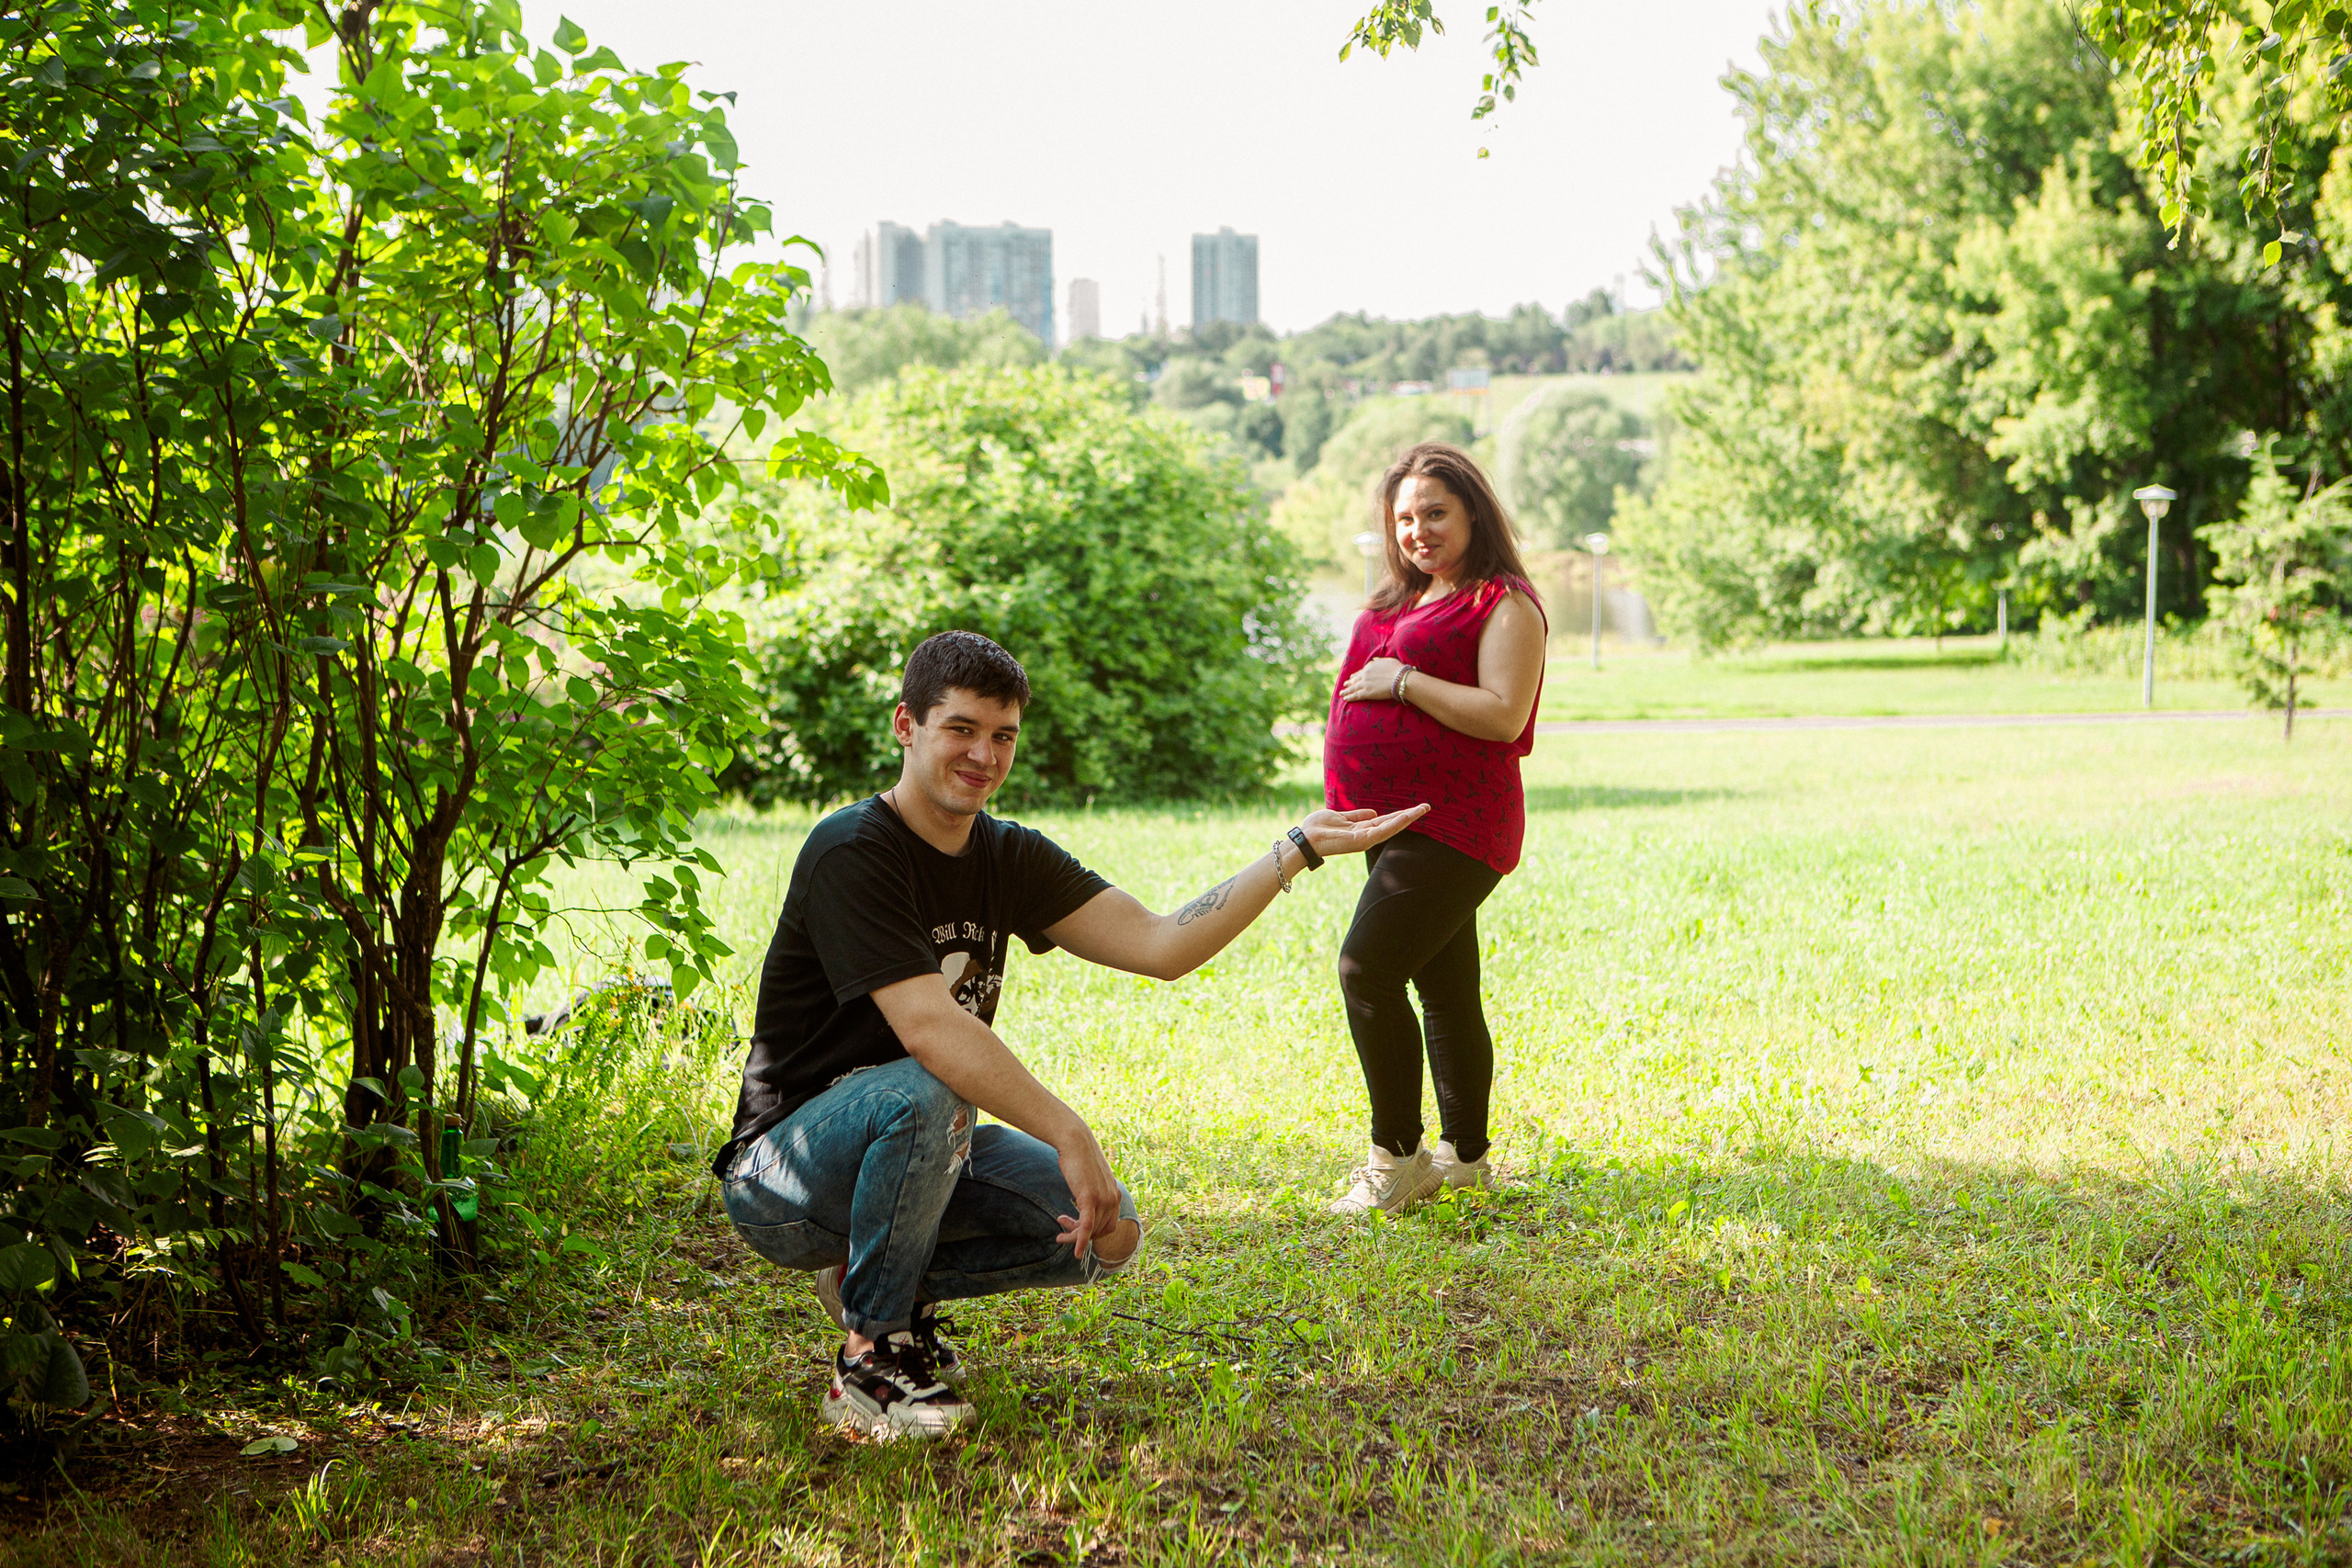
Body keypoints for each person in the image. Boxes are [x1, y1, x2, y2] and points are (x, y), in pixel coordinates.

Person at [714, 630, 1426, 1439]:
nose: (984, 754)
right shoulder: (853, 849)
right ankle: (871, 1359)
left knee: (1108, 1232)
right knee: (929, 1082)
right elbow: (929, 1029)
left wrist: (1292, 852)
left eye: (1003, 734)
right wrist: (1066, 1128)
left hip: (919, 1144)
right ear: (905, 725)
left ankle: (873, 1280)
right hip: (783, 1176)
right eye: (961, 728)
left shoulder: (1007, 853)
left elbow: (1161, 944)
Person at [1322, 443, 1547, 1217]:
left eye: (1436, 512)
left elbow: (1503, 712)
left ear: (1474, 511)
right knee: (1447, 988)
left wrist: (1403, 681)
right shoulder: (1404, 600)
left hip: (1456, 821)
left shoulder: (1501, 601)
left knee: (1365, 967)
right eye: (1405, 517)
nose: (1418, 529)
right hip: (1389, 827)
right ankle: (1466, 1159)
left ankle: (1395, 1157)